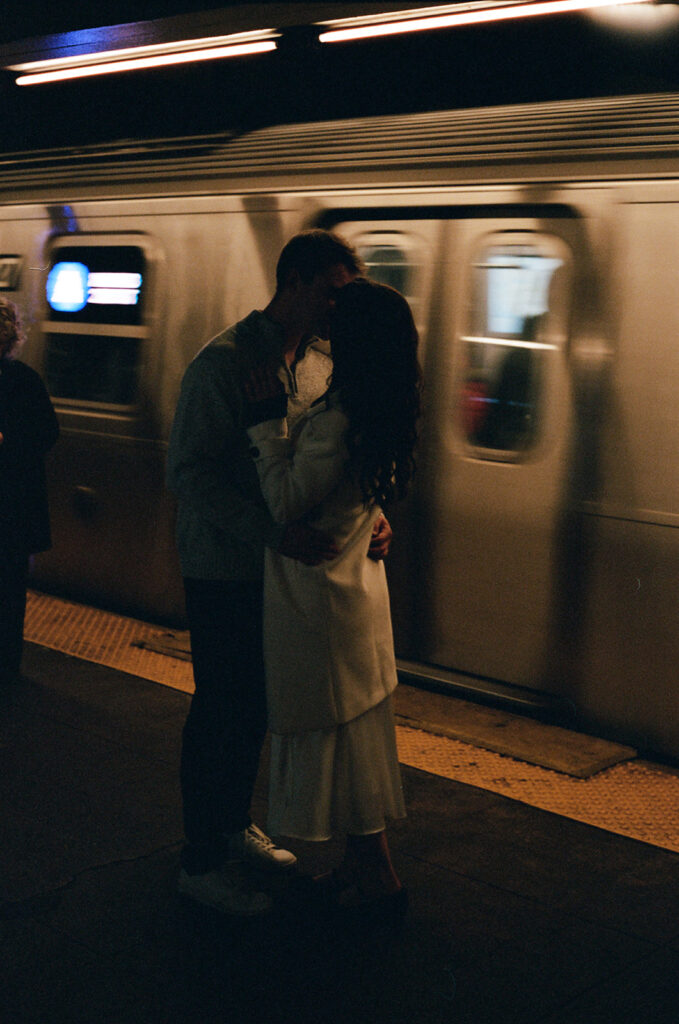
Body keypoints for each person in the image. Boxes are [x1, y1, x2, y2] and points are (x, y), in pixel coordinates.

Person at [166, 230, 393, 916]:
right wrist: (274, 533)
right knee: (221, 708)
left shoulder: (323, 364)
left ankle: (233, 828)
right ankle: (200, 860)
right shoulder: (222, 365)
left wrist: (371, 515)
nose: (337, 307)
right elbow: (191, 476)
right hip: (227, 567)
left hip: (283, 576)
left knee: (256, 708)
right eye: (331, 291)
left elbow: (324, 467)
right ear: (292, 282)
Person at [243, 278, 421, 918]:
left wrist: (267, 425)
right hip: (356, 605)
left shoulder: (340, 417)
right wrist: (375, 516)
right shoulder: (380, 407)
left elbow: (288, 499)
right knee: (354, 745)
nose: (326, 328)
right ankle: (367, 870)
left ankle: (378, 882)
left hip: (320, 606)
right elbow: (361, 491)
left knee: (339, 745)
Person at [0, 298, 59, 685]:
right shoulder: (26, 380)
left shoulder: (21, 380)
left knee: (7, 595)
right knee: (9, 595)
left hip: (9, 511)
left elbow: (44, 434)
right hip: (15, 513)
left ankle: (5, 669)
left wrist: (7, 440)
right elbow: (48, 433)